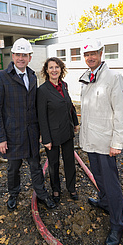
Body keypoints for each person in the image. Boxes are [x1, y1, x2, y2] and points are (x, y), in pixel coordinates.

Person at [0, 38, 56, 212]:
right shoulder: (1, 78)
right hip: (11, 136)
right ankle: (13, 194)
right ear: (12, 56)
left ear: (30, 57)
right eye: (18, 54)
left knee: (35, 166)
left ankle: (41, 195)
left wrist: (41, 132)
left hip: (30, 134)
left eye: (24, 55)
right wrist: (0, 138)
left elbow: (35, 108)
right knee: (13, 169)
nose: (21, 58)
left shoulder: (33, 77)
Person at [79, 38, 123, 245]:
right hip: (91, 141)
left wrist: (117, 141)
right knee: (98, 176)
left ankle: (118, 224)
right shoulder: (88, 77)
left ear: (101, 53)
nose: (90, 57)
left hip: (107, 143)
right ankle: (104, 201)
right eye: (87, 54)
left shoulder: (114, 78)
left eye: (94, 53)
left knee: (111, 183)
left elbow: (120, 113)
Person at [37, 57, 79, 203]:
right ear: (46, 71)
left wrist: (75, 122)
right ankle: (56, 190)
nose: (54, 70)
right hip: (52, 134)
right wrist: (46, 139)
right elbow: (41, 116)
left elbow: (70, 105)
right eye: (51, 67)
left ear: (61, 69)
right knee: (53, 164)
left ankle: (71, 187)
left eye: (57, 67)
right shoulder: (42, 90)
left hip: (67, 131)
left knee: (69, 161)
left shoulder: (64, 85)